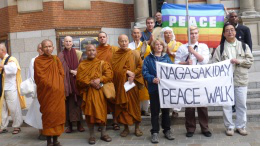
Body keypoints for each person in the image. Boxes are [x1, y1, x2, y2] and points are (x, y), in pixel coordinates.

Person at [212, 23, 253, 136]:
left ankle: (241, 126)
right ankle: (229, 127)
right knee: (226, 105)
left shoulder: (244, 46)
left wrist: (239, 61)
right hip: (225, 82)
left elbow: (250, 61)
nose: (230, 32)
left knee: (241, 104)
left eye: (232, 30)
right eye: (227, 30)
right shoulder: (219, 49)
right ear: (224, 34)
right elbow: (214, 64)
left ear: (235, 32)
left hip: (240, 80)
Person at [175, 26, 212, 138]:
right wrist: (186, 63)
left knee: (202, 105)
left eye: (196, 33)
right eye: (191, 33)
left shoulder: (203, 46)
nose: (194, 35)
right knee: (189, 106)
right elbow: (176, 63)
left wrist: (193, 52)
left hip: (200, 79)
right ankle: (190, 128)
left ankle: (205, 128)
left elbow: (204, 61)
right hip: (187, 80)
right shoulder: (182, 47)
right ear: (188, 35)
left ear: (198, 34)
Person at [76, 44, 113, 144]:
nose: (91, 52)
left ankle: (103, 134)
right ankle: (91, 135)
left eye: (93, 50)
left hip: (100, 92)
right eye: (89, 50)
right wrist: (91, 83)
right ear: (85, 52)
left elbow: (109, 75)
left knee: (102, 112)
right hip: (88, 93)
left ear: (96, 52)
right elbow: (79, 79)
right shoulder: (82, 65)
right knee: (89, 114)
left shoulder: (102, 63)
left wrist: (100, 80)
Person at [142, 39, 175, 143]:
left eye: (161, 44)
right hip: (154, 89)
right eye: (157, 44)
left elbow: (172, 71)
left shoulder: (167, 59)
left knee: (166, 111)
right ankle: (155, 132)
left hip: (165, 89)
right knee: (155, 112)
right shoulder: (148, 59)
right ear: (153, 46)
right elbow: (145, 72)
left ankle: (167, 130)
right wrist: (152, 78)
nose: (159, 46)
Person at [112, 34, 144, 137]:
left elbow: (140, 66)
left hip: (132, 84)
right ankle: (125, 128)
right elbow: (114, 70)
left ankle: (137, 128)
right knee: (123, 107)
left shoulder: (134, 53)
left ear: (128, 41)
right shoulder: (116, 55)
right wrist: (126, 72)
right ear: (118, 42)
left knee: (135, 106)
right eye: (122, 41)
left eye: (126, 41)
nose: (124, 43)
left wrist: (133, 74)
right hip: (121, 86)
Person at [34, 39, 65, 146]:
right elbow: (39, 78)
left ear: (53, 48)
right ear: (42, 48)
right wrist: (52, 85)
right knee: (48, 116)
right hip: (46, 94)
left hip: (58, 94)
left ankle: (56, 140)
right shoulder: (38, 61)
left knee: (58, 115)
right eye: (45, 47)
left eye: (50, 46)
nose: (48, 48)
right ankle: (48, 142)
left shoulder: (56, 59)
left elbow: (62, 73)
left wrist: (58, 85)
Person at [58, 36, 85, 133]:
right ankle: (69, 125)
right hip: (66, 83)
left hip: (76, 81)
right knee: (67, 105)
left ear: (72, 43)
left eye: (70, 41)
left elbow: (82, 66)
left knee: (78, 103)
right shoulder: (60, 55)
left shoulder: (78, 53)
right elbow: (59, 68)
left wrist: (77, 71)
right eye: (66, 41)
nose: (68, 43)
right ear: (63, 43)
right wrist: (69, 71)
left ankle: (79, 124)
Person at [96, 31, 120, 131]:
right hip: (101, 79)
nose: (102, 38)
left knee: (113, 99)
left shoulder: (114, 49)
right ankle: (103, 122)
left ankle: (115, 121)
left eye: (103, 37)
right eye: (100, 37)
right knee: (102, 101)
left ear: (107, 38)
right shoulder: (96, 50)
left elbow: (119, 61)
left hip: (112, 79)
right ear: (98, 39)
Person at [0, 44, 26, 134]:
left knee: (14, 108)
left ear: (2, 50)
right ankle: (3, 126)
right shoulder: (1, 60)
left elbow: (13, 70)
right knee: (2, 108)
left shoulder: (11, 59)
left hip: (11, 87)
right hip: (2, 88)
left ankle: (17, 126)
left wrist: (2, 66)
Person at [24, 43, 46, 140]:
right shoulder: (34, 60)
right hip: (38, 90)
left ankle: (48, 131)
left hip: (49, 90)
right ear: (37, 50)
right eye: (39, 48)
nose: (41, 50)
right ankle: (41, 131)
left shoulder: (50, 59)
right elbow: (31, 75)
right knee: (38, 111)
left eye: (43, 48)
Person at [129, 28, 151, 116]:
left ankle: (145, 109)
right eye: (134, 33)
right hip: (132, 70)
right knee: (135, 90)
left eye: (138, 33)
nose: (136, 35)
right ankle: (137, 109)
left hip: (143, 70)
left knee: (144, 90)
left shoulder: (146, 46)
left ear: (141, 35)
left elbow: (148, 58)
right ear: (132, 35)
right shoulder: (129, 46)